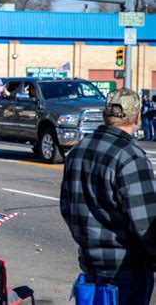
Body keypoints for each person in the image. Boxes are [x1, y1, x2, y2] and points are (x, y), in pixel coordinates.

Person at [60, 88, 156, 304]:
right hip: (126, 272)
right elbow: (146, 224)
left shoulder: (78, 150)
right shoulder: (131, 157)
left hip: (90, 266)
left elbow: (67, 209)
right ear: (137, 117)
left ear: (105, 116)